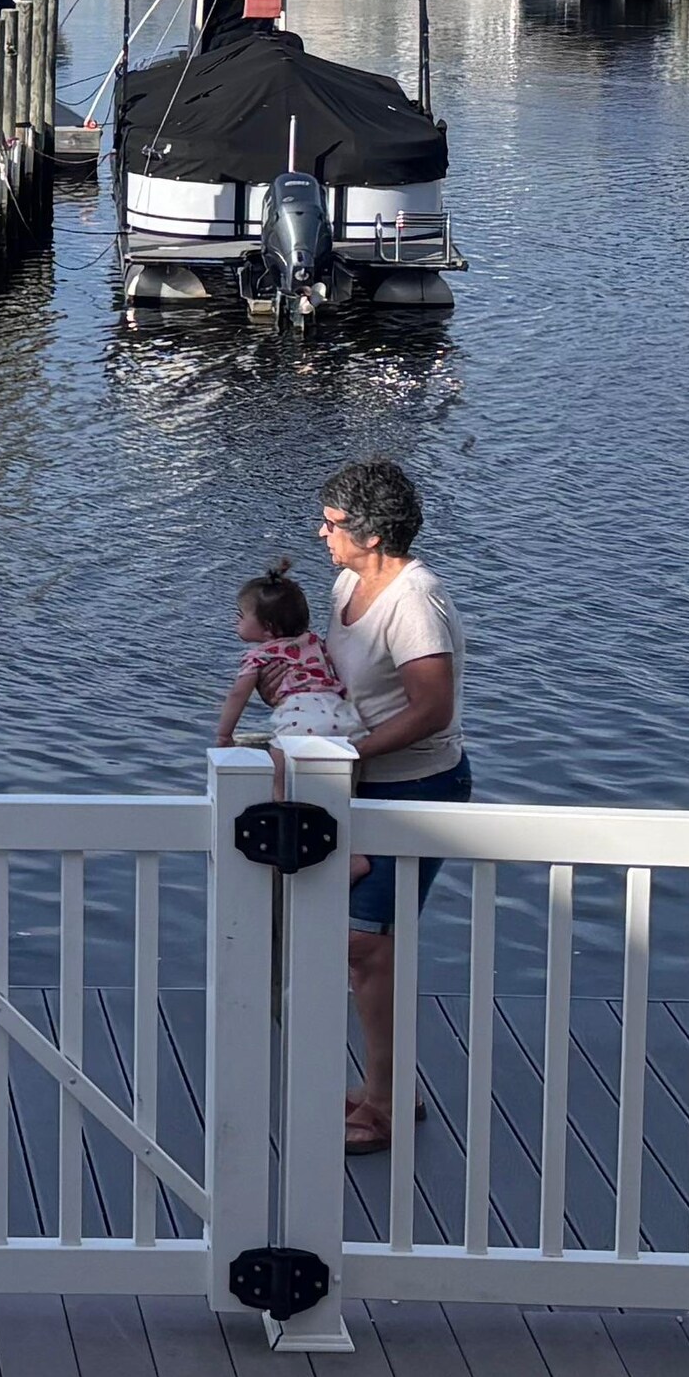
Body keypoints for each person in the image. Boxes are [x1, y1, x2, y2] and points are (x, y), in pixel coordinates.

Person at [317, 454, 467, 1154]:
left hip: (416, 789)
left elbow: (432, 709)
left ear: (373, 534)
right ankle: (386, 1090)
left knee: (364, 947)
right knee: (364, 949)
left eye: (334, 524)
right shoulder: (347, 582)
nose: (323, 534)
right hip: (360, 784)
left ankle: (383, 1103)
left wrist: (350, 752)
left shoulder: (415, 601)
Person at [213, 562, 357, 749]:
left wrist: (225, 735)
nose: (236, 619)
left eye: (241, 615)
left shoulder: (259, 657)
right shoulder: (314, 642)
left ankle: (278, 780)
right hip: (341, 712)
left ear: (268, 628)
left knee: (279, 750)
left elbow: (238, 695)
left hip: (300, 716)